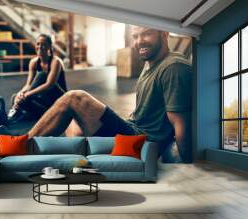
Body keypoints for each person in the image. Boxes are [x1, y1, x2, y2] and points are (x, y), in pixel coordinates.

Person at [27, 26, 192, 163]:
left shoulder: (173, 67)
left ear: (165, 33)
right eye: (135, 36)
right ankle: (82, 160)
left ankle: (21, 146)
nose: (139, 41)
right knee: (73, 121)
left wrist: (187, 167)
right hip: (133, 129)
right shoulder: (152, 62)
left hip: (140, 142)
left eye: (147, 34)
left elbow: (180, 124)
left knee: (75, 99)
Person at [8, 34, 67, 123]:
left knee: (42, 75)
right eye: (38, 44)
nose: (40, 46)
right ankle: (43, 114)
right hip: (45, 99)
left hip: (60, 99)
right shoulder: (34, 62)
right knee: (15, 97)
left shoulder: (56, 62)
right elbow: (28, 84)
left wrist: (27, 95)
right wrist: (21, 93)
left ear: (50, 47)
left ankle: (20, 111)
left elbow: (49, 84)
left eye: (43, 44)